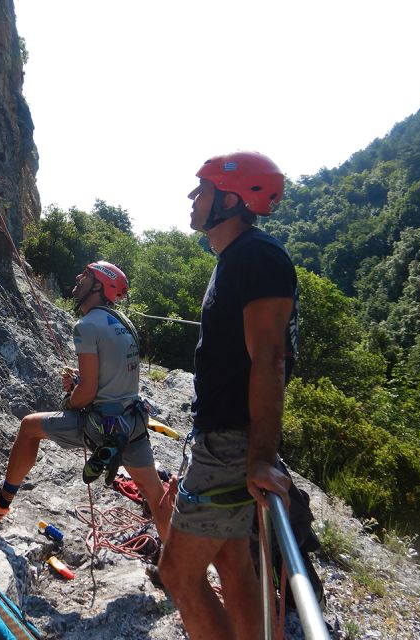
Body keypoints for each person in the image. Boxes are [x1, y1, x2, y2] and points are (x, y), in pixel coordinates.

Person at [157, 151, 299, 640]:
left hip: (230, 446)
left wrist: (260, 458)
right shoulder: (235, 260)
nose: (193, 197)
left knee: (176, 572)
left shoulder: (258, 256)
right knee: (231, 559)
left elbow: (270, 357)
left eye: (203, 188)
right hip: (223, 438)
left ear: (232, 199)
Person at [0, 261, 170, 540]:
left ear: (99, 286)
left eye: (86, 275)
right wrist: (82, 380)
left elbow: (87, 393)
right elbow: (116, 374)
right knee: (155, 492)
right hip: (132, 423)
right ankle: (175, 565)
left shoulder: (86, 326)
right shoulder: (125, 324)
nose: (78, 277)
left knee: (29, 427)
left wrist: (70, 401)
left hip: (101, 426)